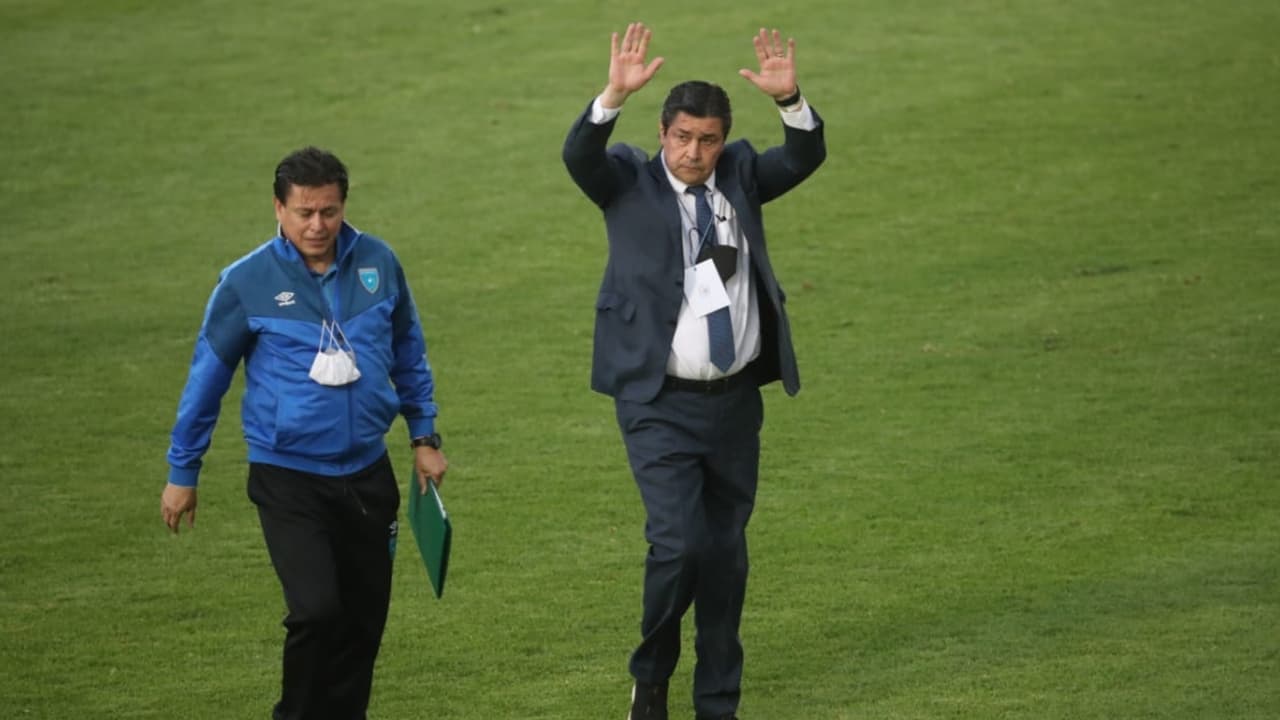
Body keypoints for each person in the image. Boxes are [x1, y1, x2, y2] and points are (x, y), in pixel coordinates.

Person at [562, 22, 827, 720]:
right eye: (682, 137)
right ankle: (650, 675)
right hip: (658, 402)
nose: (694, 152)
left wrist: (790, 98)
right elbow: (578, 156)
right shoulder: (626, 180)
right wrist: (611, 95)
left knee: (726, 559)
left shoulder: (739, 174)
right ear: (662, 130)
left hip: (736, 404)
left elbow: (803, 158)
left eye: (708, 139)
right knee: (679, 544)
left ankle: (718, 703)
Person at [160, 146, 449, 720]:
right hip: (288, 477)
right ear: (278, 208)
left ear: (344, 206)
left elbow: (408, 353)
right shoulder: (246, 282)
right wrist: (181, 471)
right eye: (304, 213)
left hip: (368, 474)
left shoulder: (379, 263)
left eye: (330, 211)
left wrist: (424, 437)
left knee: (364, 620)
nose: (317, 226)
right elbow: (206, 380)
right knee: (316, 611)